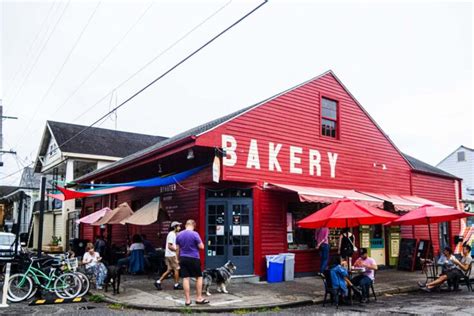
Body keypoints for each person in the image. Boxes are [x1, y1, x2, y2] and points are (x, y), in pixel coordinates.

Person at [176, 219, 208, 306]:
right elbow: (201, 247)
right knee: (199, 277)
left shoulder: (179, 234)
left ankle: (187, 300)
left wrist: (177, 260)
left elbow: (177, 249)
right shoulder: (195, 234)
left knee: (185, 278)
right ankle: (199, 298)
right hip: (194, 258)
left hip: (183, 258)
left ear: (186, 225)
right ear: (193, 226)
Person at [155, 221, 183, 290]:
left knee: (169, 270)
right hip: (171, 255)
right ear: (174, 227)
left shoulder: (174, 234)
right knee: (177, 269)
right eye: (178, 226)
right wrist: (176, 250)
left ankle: (158, 281)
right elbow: (169, 246)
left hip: (169, 255)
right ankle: (176, 284)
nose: (180, 227)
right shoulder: (171, 234)